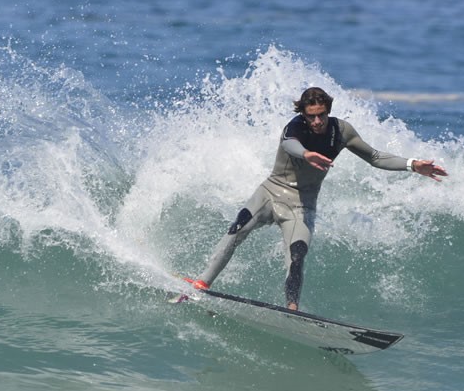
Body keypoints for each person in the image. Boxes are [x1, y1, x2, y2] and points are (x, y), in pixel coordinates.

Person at [186, 87, 447, 310]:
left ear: (328, 111)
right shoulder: (295, 127)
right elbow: (289, 144)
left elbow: (375, 157)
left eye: (322, 114)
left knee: (297, 256)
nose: (318, 121)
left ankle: (291, 310)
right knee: (236, 230)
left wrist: (413, 165)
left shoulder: (342, 131)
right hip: (270, 193)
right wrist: (307, 154)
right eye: (312, 116)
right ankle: (201, 283)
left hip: (302, 205)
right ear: (303, 114)